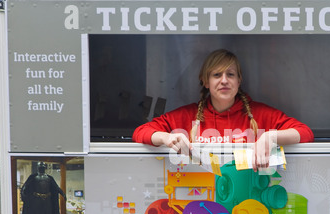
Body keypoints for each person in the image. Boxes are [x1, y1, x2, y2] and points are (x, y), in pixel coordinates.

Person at [132, 49, 314, 171]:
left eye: (230, 74)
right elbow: (141, 132)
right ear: (205, 81)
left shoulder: (261, 114)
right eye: (217, 75)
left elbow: (305, 133)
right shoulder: (186, 115)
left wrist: (270, 137)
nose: (224, 80)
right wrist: (167, 137)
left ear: (239, 80)